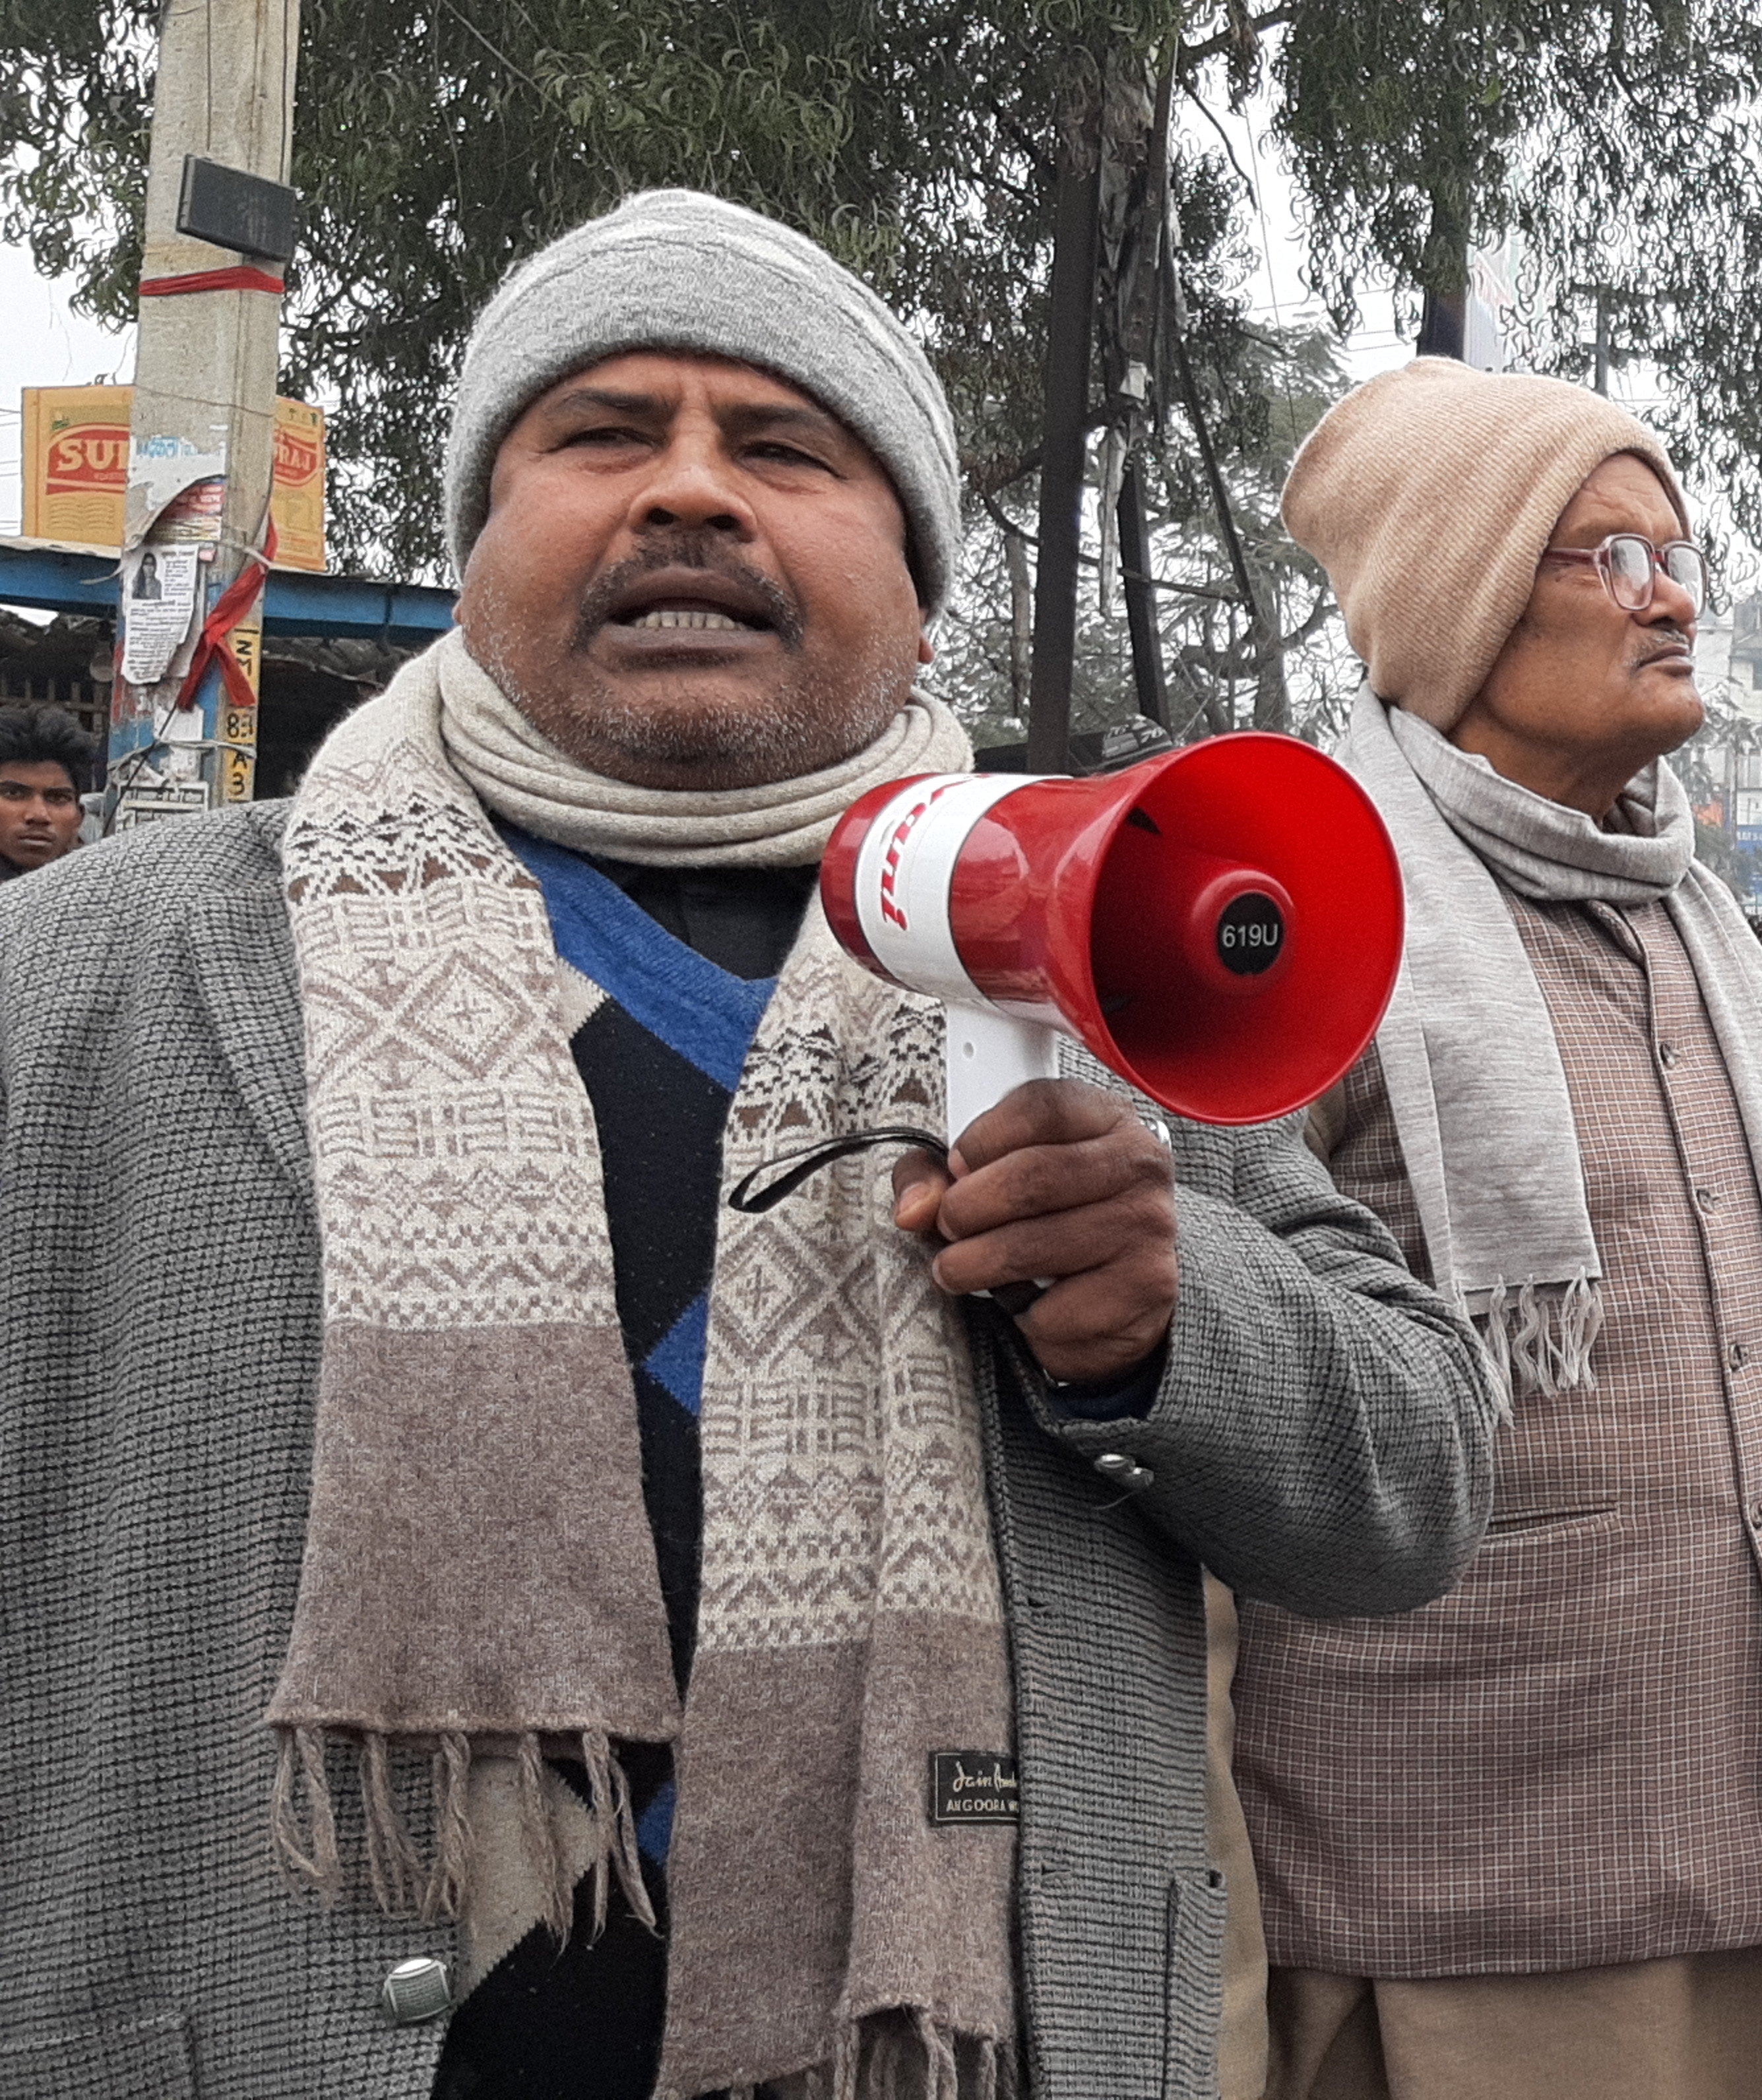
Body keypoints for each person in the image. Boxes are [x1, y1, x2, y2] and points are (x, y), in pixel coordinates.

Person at [0, 191, 1501, 2097]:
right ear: (476, 543)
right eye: (605, 433)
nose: (691, 493)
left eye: (785, 448)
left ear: (919, 574)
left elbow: (1417, 1491)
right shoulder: (84, 976)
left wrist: (1167, 1319)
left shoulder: (1087, 951)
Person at [1258, 357, 1762, 2100]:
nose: (1673, 598)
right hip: (1443, 1873)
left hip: (1732, 1816)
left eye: (1680, 555)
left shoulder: (1693, 921)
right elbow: (1202, 1384)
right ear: (1459, 604)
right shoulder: (1301, 903)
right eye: (1607, 559)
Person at [0, 704, 94, 877]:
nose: (39, 816)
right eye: (14, 794)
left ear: (79, 818)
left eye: (58, 798)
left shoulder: (106, 890)